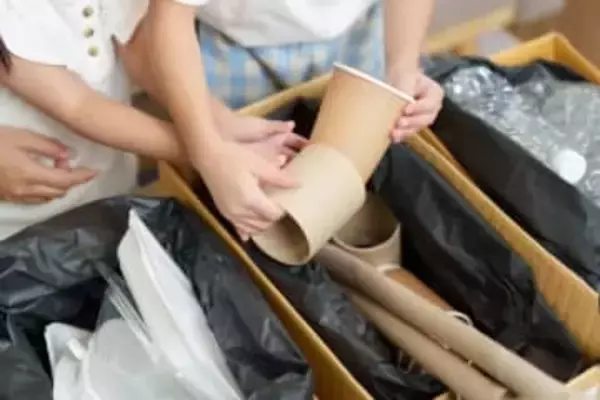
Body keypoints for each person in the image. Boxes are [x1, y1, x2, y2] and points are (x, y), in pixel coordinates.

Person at [142, 0, 444, 240]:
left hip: (355, 32)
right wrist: (208, 150)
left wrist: (404, 66)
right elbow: (168, 20)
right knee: (243, 180)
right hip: (237, 43)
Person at [0, 0, 302, 240]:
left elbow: (135, 46)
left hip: (103, 184)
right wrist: (209, 154)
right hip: (18, 217)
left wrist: (218, 122)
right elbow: (78, 105)